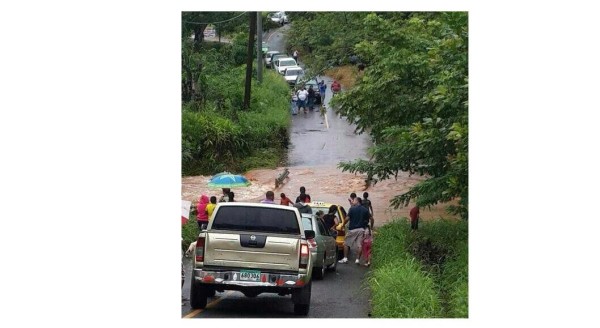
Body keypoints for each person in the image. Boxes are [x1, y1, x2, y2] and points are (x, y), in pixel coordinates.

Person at [339, 197, 370, 264]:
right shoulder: (365, 210)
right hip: (361, 229)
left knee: (346, 243)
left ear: (357, 201)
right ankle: (357, 260)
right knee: (359, 245)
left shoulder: (352, 209)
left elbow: (347, 218)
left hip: (352, 229)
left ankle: (345, 258)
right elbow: (367, 220)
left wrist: (343, 224)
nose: (353, 202)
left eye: (354, 200)